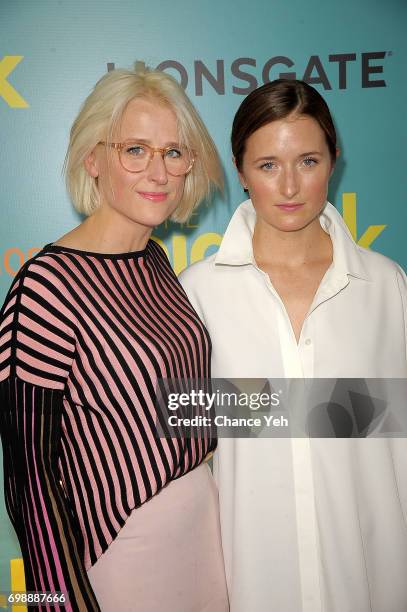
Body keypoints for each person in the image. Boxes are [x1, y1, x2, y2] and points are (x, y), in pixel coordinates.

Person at [0, 64, 229, 611]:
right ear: (93, 159)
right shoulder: (45, 287)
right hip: (121, 556)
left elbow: (175, 410)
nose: (159, 172)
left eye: (175, 152)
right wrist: (58, 604)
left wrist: (348, 410)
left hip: (206, 533)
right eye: (136, 150)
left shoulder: (153, 262)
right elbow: (28, 482)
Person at [179, 79, 407, 612]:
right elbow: (183, 446)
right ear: (239, 171)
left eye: (307, 161)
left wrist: (259, 404)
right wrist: (332, 406)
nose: (288, 187)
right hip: (251, 582)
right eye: (267, 165)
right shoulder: (196, 293)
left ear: (334, 161)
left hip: (374, 582)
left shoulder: (387, 287)